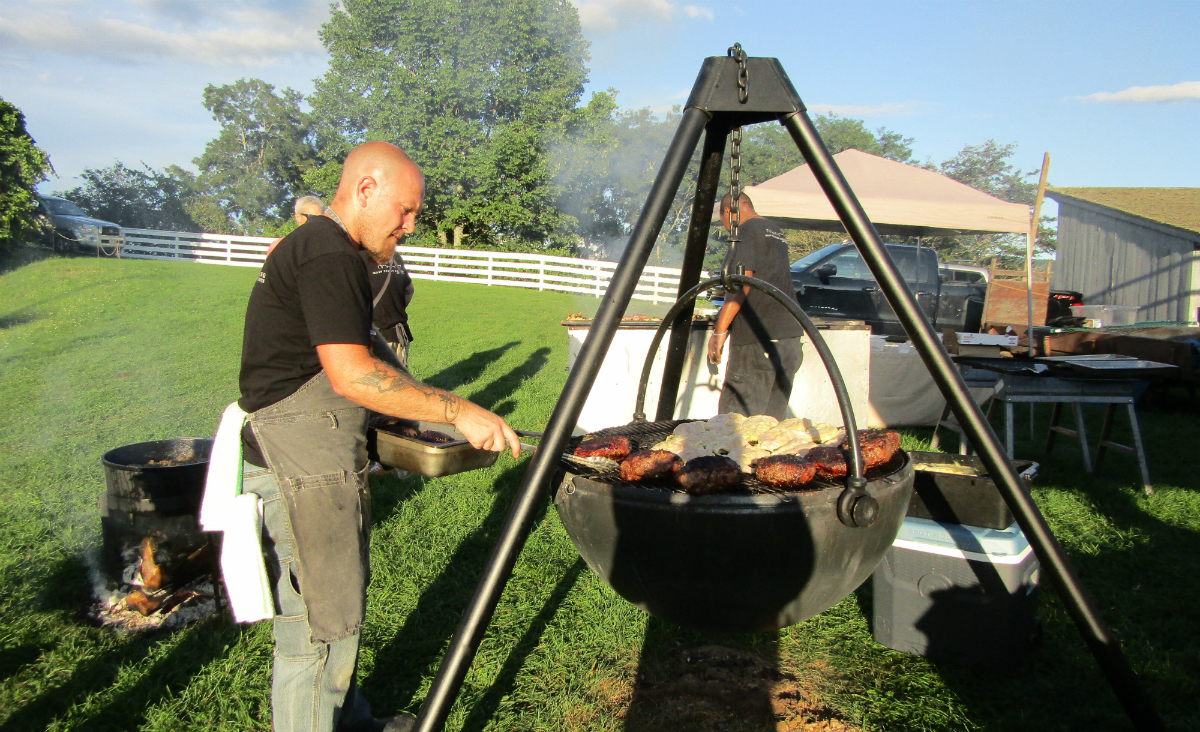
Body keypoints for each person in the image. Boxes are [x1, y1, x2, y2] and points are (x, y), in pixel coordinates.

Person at [237, 141, 520, 732]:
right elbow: (351, 373)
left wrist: (406, 420)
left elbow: (365, 350)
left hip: (318, 453)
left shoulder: (328, 249)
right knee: (320, 627)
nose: (412, 226)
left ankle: (351, 720)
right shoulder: (327, 253)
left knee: (337, 611)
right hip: (301, 467)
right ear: (365, 189)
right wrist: (455, 409)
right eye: (407, 210)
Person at [708, 192, 805, 419]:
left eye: (723, 220)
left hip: (757, 341)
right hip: (789, 341)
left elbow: (743, 283)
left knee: (735, 425)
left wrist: (719, 331)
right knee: (770, 426)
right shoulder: (776, 231)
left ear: (728, 212)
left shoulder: (747, 231)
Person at [361, 248, 415, 368]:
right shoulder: (395, 256)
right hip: (399, 333)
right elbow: (409, 290)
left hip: (372, 337)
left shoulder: (357, 257)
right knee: (399, 382)